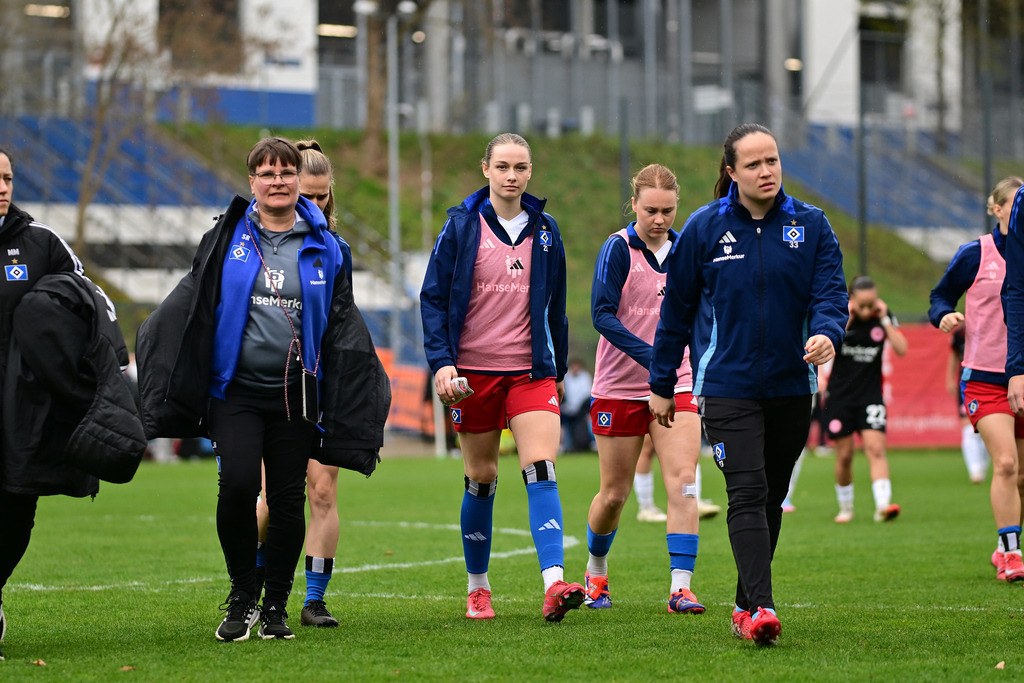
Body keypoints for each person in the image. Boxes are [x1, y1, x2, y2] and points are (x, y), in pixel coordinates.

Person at [136, 137, 390, 642]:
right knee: (235, 490)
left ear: (300, 180)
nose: (278, 181)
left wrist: (356, 394)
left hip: (296, 395)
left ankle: (276, 603)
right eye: (267, 173)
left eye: (286, 173)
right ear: (252, 181)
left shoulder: (329, 249)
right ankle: (242, 593)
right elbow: (192, 305)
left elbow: (341, 327)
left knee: (288, 500)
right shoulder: (225, 235)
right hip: (234, 391)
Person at [648, 123, 847, 646]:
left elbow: (830, 294)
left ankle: (742, 603)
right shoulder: (703, 228)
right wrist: (662, 382)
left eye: (773, 161)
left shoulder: (812, 224)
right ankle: (761, 607)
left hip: (790, 386)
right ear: (731, 172)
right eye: (754, 164)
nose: (767, 171)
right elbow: (677, 310)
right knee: (748, 490)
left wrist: (827, 332)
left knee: (771, 496)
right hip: (727, 386)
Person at [419, 132, 585, 622]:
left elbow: (556, 306)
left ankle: (554, 583)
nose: (512, 176)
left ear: (531, 172)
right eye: (504, 167)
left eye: (521, 167)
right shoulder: (459, 226)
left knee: (541, 466)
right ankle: (477, 587)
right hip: (471, 374)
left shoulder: (547, 229)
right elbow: (432, 299)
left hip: (530, 372)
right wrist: (442, 361)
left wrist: (552, 369)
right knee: (482, 478)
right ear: (485, 169)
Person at [0, 145, 146, 662]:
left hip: (24, 409)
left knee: (16, 511)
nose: (2, 186)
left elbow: (92, 302)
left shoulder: (40, 243)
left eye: (8, 177)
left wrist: (113, 363)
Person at [585, 163, 706, 615]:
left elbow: (701, 314)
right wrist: (655, 359)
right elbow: (602, 315)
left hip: (680, 383)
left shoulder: (688, 251)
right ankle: (596, 572)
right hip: (619, 387)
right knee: (614, 495)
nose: (660, 219)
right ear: (633, 204)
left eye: (668, 211)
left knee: (684, 482)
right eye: (651, 210)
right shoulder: (617, 249)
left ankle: (681, 587)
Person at [253, 140, 349, 628]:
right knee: (274, 496)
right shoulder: (261, 242)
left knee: (324, 493)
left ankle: (314, 599)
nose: (315, 206)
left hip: (324, 388)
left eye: (323, 196)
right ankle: (253, 586)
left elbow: (343, 324)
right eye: (306, 195)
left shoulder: (337, 251)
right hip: (278, 387)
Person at [934, 176, 1024, 581]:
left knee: (1021, 474)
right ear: (997, 209)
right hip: (986, 378)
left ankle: (1003, 543)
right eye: (1012, 205)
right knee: (1005, 463)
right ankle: (1010, 553)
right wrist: (944, 315)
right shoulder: (976, 254)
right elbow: (940, 295)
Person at [826, 276, 908, 523]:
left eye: (871, 304)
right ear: (851, 300)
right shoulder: (841, 316)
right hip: (840, 397)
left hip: (870, 396)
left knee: (875, 449)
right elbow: (828, 343)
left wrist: (884, 319)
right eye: (861, 304)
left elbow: (902, 348)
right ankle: (846, 507)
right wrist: (848, 316)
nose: (866, 310)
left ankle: (883, 506)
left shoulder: (882, 319)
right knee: (845, 455)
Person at [948, 326, 990, 483]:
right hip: (966, 384)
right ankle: (975, 471)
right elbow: (954, 356)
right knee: (968, 429)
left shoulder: (991, 330)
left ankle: (982, 467)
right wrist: (949, 379)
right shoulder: (960, 334)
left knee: (987, 429)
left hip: (988, 383)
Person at [560, 358, 593, 453]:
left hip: (581, 410)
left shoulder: (585, 377)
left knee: (580, 429)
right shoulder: (566, 377)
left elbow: (586, 393)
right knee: (564, 428)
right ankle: (565, 446)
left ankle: (579, 445)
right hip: (566, 409)